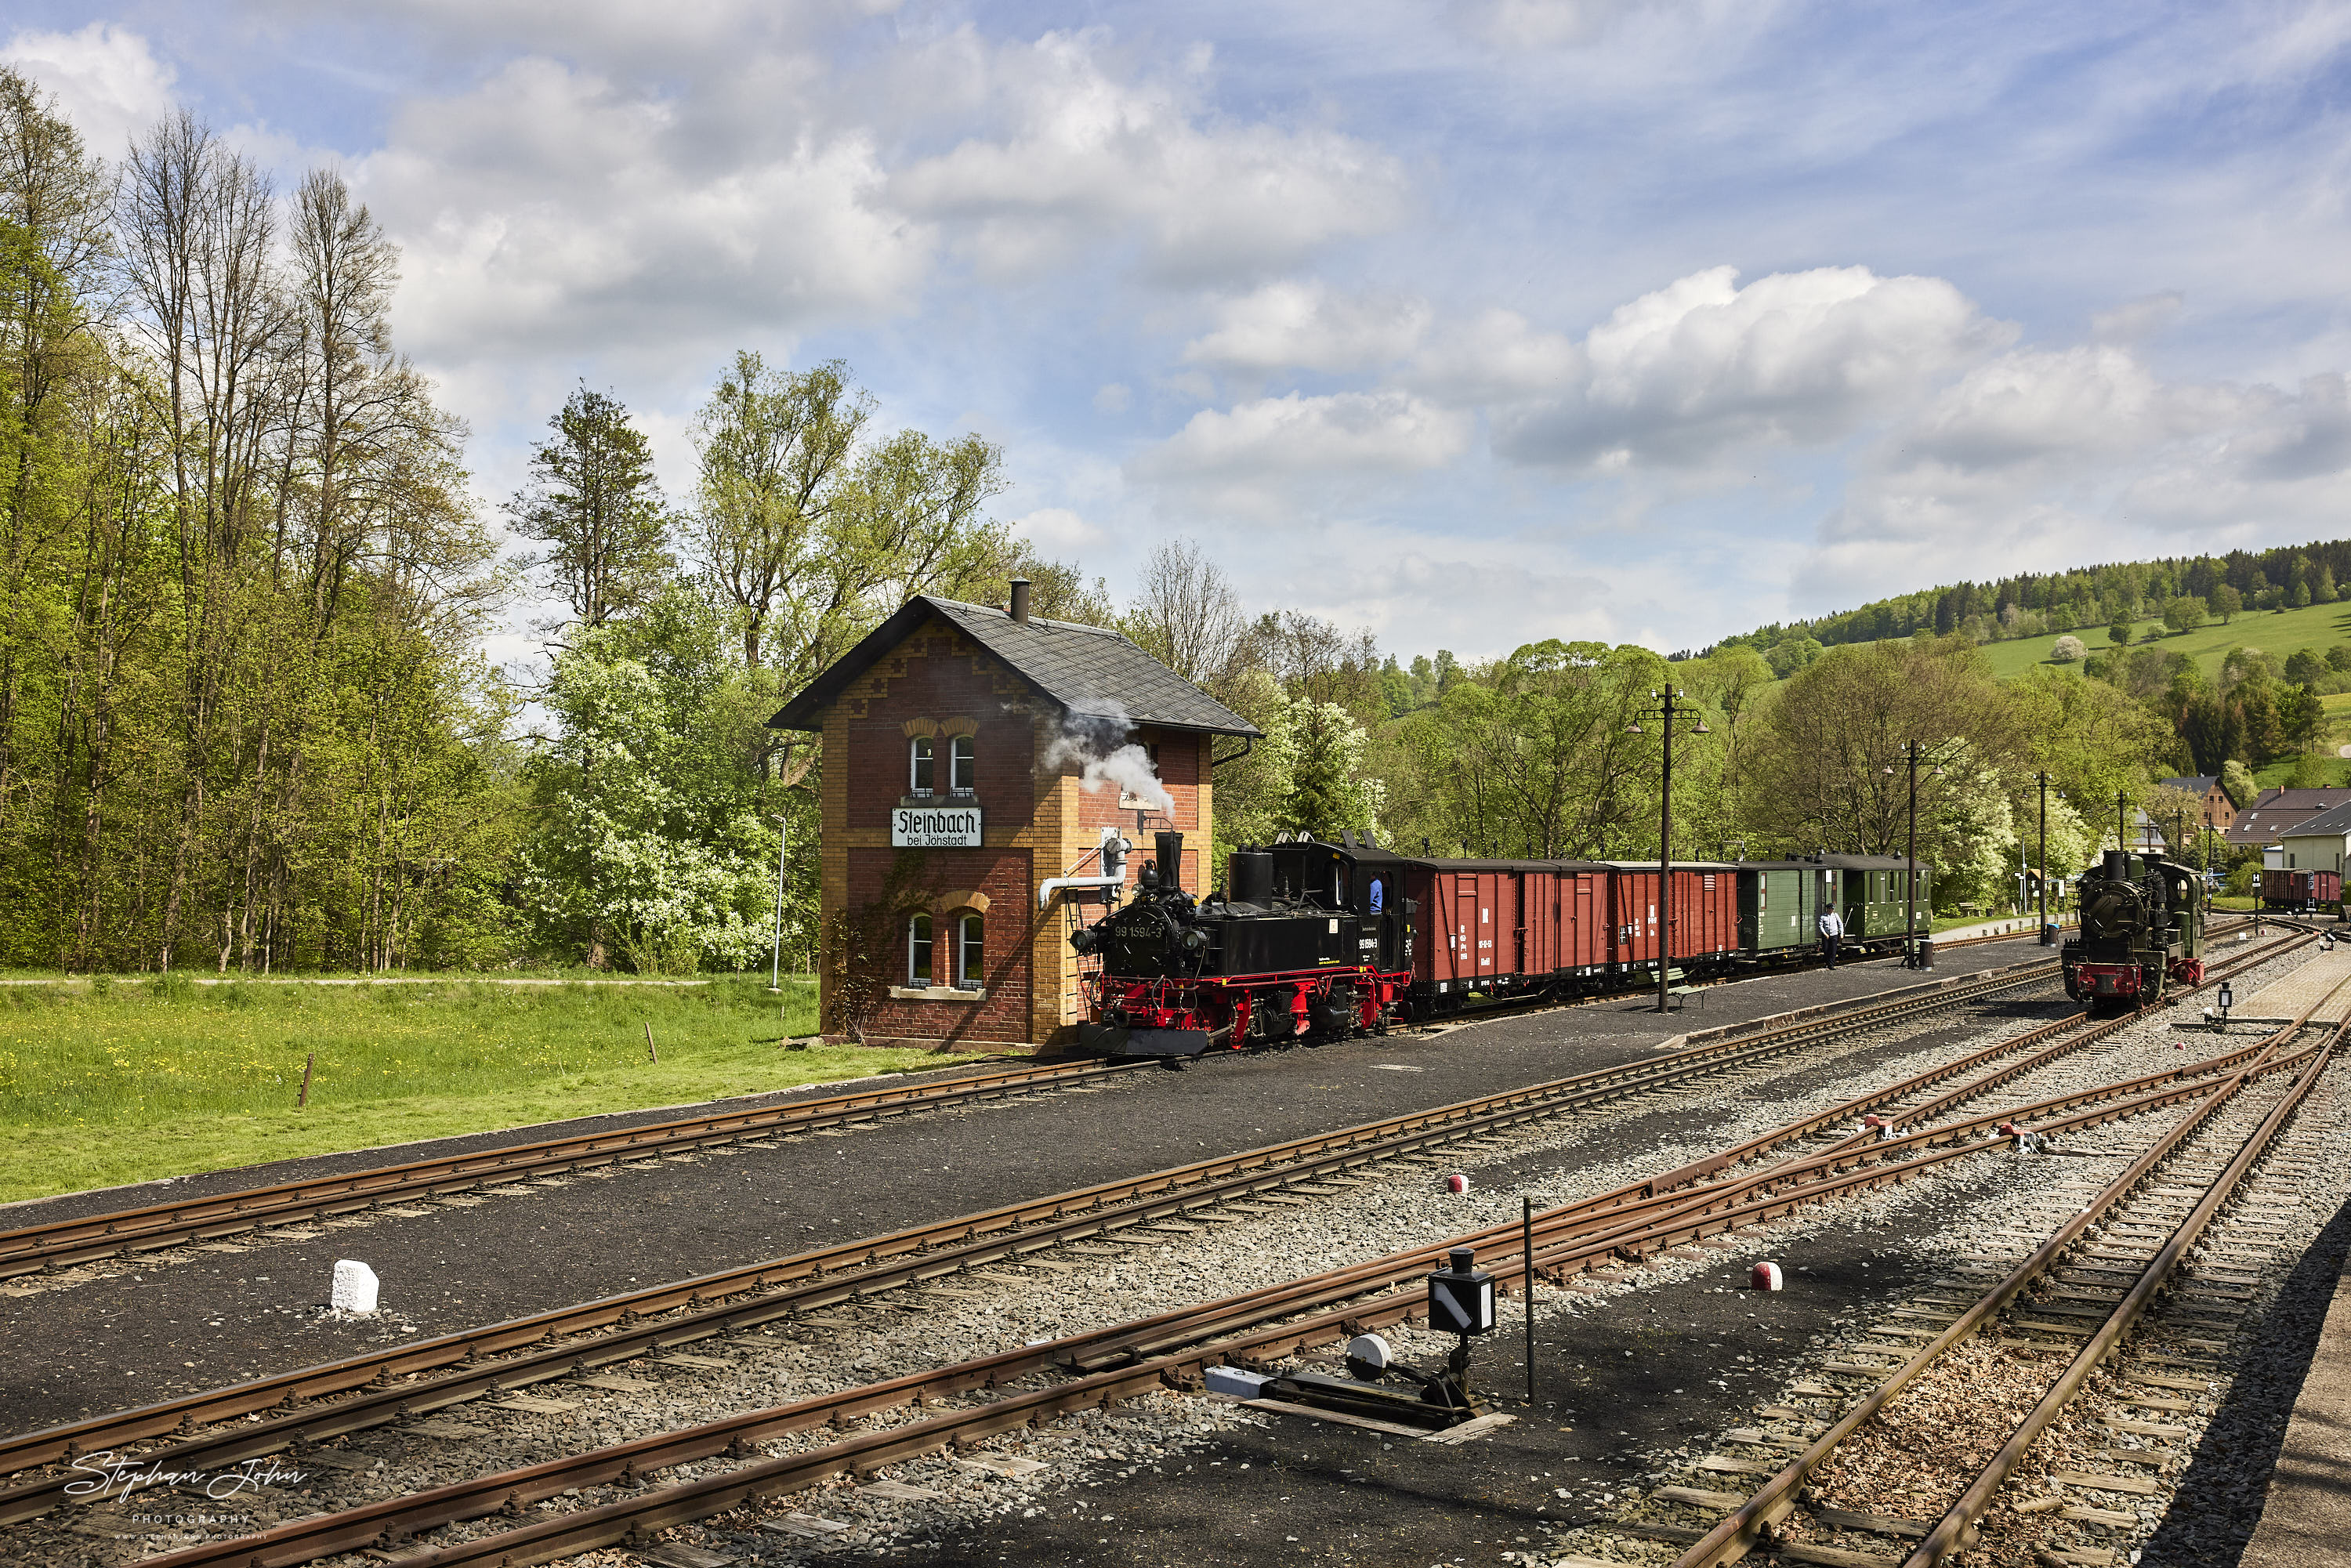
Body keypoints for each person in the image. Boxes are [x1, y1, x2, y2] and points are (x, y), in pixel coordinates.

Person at [1817, 905, 1844, 969]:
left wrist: (1842, 933)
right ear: (1828, 909)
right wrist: (1825, 934)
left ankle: (1831, 964)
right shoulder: (1823, 916)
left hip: (1834, 934)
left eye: (1833, 909)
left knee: (1833, 950)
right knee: (1826, 949)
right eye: (1831, 909)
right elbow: (1820, 926)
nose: (1832, 910)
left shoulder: (1835, 915)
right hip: (1826, 935)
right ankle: (1827, 962)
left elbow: (1840, 924)